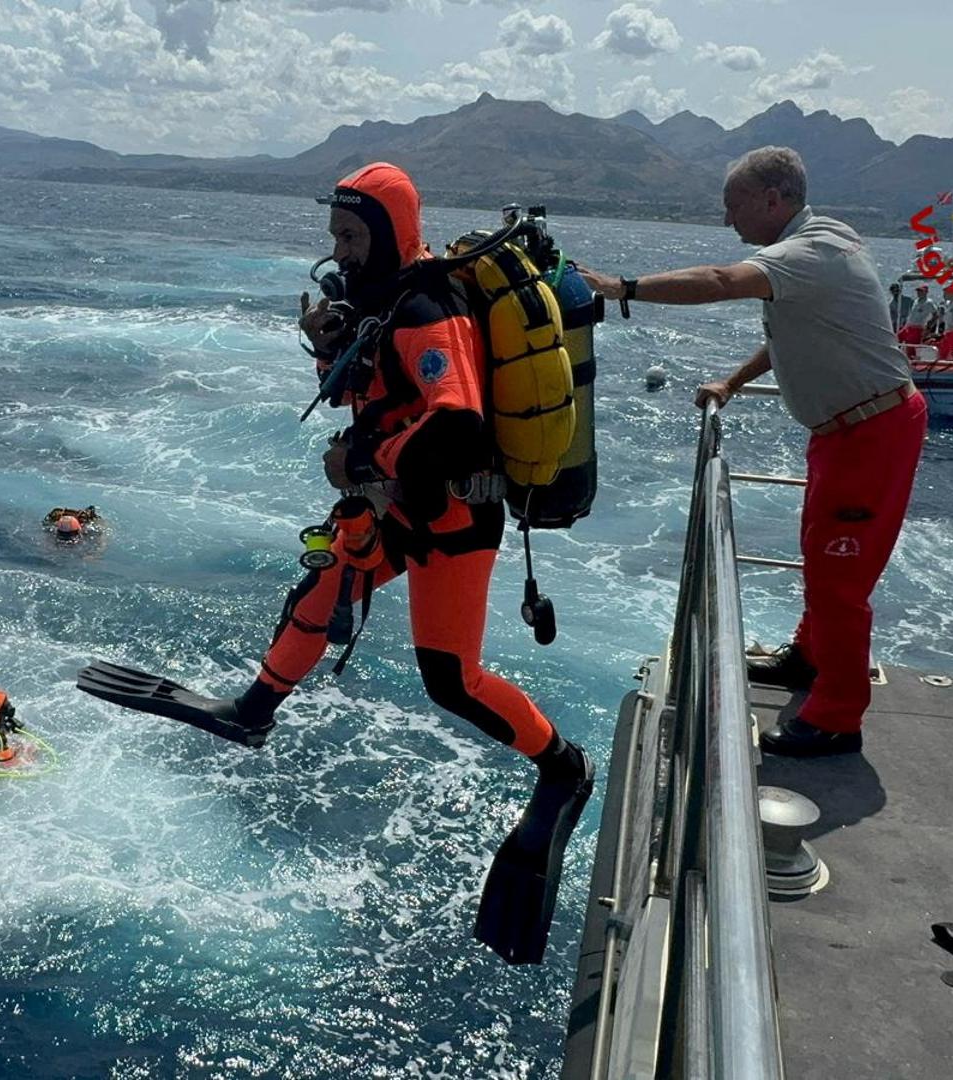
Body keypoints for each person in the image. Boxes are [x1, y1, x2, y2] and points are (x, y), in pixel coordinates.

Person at [78, 162, 593, 964]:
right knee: (324, 583)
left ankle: (564, 768)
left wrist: (363, 455)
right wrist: (328, 351)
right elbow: (375, 389)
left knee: (451, 680)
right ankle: (253, 710)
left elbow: (454, 423)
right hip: (394, 504)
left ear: (390, 233)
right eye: (336, 238)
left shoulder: (424, 305)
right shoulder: (381, 300)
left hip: (450, 514)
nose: (341, 253)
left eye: (353, 237)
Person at [576, 146, 927, 757]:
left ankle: (837, 718)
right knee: (822, 558)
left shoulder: (807, 252)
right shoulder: (826, 241)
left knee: (840, 576)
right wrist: (733, 382)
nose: (728, 220)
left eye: (734, 205)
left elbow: (718, 281)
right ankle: (808, 659)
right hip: (849, 430)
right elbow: (798, 332)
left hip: (872, 433)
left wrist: (619, 287)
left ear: (772, 199)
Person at [898, 282, 935, 361]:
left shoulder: (929, 302)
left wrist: (929, 325)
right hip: (908, 326)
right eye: (918, 291)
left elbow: (936, 314)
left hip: (917, 327)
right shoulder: (916, 301)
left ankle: (912, 361)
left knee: (911, 346)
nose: (919, 293)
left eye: (921, 291)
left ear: (925, 292)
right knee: (898, 337)